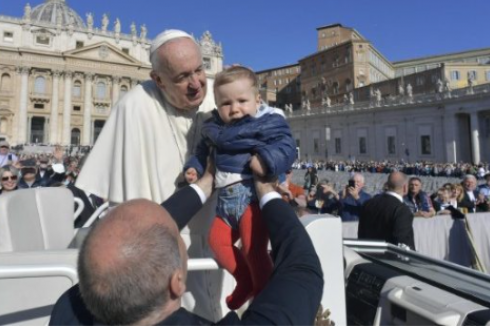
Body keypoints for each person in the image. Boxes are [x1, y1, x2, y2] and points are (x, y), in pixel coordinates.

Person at [51, 167, 323, 325]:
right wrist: (268, 192)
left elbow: (137, 231)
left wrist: (203, 185)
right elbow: (302, 269)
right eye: (176, 237)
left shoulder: (67, 310)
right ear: (177, 282)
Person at [74, 29, 218, 318]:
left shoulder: (220, 95)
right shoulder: (134, 107)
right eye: (182, 77)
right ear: (158, 79)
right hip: (167, 254)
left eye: (199, 70)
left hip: (220, 241)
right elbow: (134, 219)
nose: (196, 84)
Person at [183, 65, 296, 309]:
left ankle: (264, 299)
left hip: (250, 199)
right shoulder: (213, 128)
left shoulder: (268, 122)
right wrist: (195, 167)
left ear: (258, 100)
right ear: (217, 104)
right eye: (226, 103)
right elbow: (202, 152)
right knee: (216, 242)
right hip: (224, 204)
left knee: (254, 249)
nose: (234, 109)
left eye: (242, 101)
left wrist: (266, 160)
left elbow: (286, 146)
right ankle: (244, 280)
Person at [358, 171, 415, 250]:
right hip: (388, 260)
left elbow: (361, 235)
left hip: (368, 256)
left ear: (387, 185)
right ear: (405, 187)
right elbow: (403, 245)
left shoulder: (368, 204)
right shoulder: (402, 210)